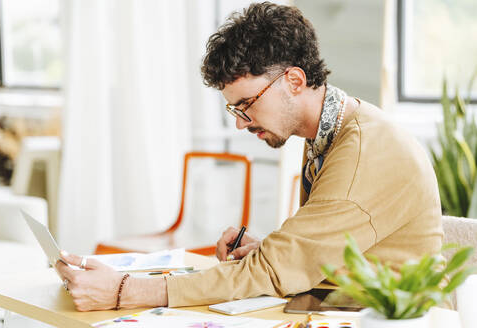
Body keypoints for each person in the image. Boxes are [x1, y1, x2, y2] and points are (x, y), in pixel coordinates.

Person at [56, 2, 443, 311]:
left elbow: (273, 273)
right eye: (234, 110)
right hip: (344, 302)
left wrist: (126, 290)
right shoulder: (335, 128)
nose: (242, 123)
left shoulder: (362, 152)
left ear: (294, 81)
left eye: (247, 105)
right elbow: (332, 248)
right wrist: (276, 251)